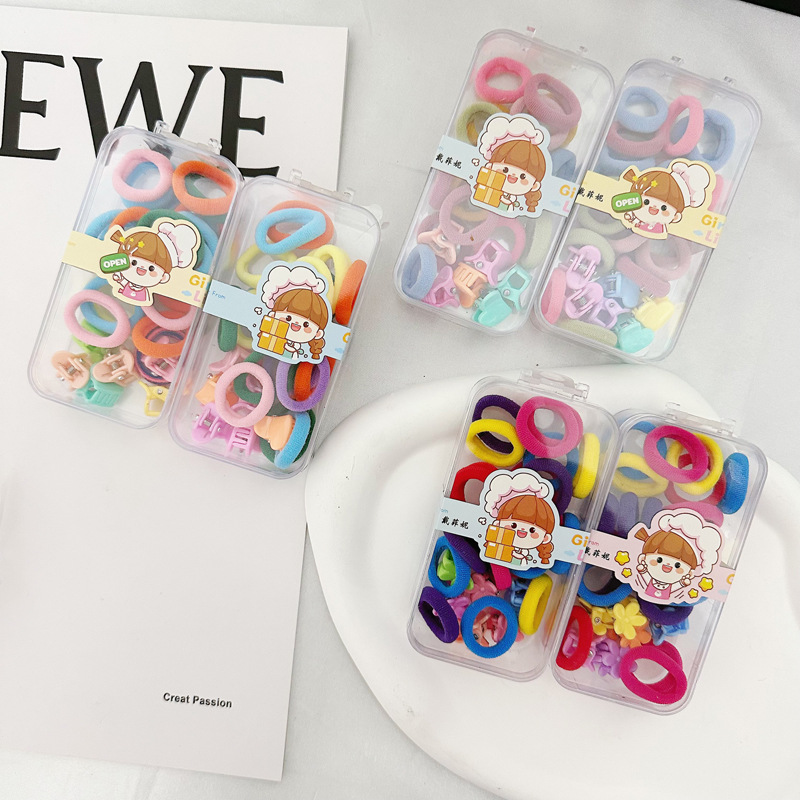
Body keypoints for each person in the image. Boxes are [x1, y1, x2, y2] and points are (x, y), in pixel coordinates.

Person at [622, 161, 711, 235]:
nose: (653, 207)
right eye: (646, 202)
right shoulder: (640, 216)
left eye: (664, 208)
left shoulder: (658, 228)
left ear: (676, 217)